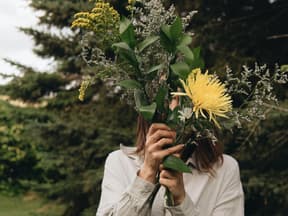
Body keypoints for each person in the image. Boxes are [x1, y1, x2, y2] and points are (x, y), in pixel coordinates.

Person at [96, 98, 244, 216]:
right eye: (167, 97)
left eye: (183, 99)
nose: (174, 108)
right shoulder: (120, 162)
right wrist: (146, 174)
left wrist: (181, 202)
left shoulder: (224, 169)